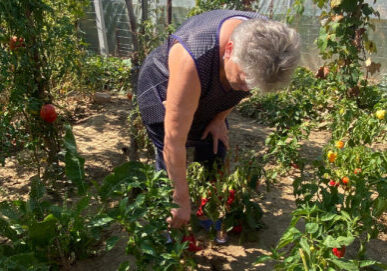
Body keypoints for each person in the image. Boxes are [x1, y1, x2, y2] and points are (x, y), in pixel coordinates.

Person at [136, 9, 301, 229]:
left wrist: (219, 118)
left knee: (214, 147)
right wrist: (181, 198)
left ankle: (209, 211)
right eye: (244, 80)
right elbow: (173, 142)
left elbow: (239, 89)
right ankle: (165, 224)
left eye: (254, 85)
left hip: (212, 79)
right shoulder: (194, 54)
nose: (247, 89)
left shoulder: (268, 42)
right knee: (169, 166)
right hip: (163, 85)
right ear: (229, 50)